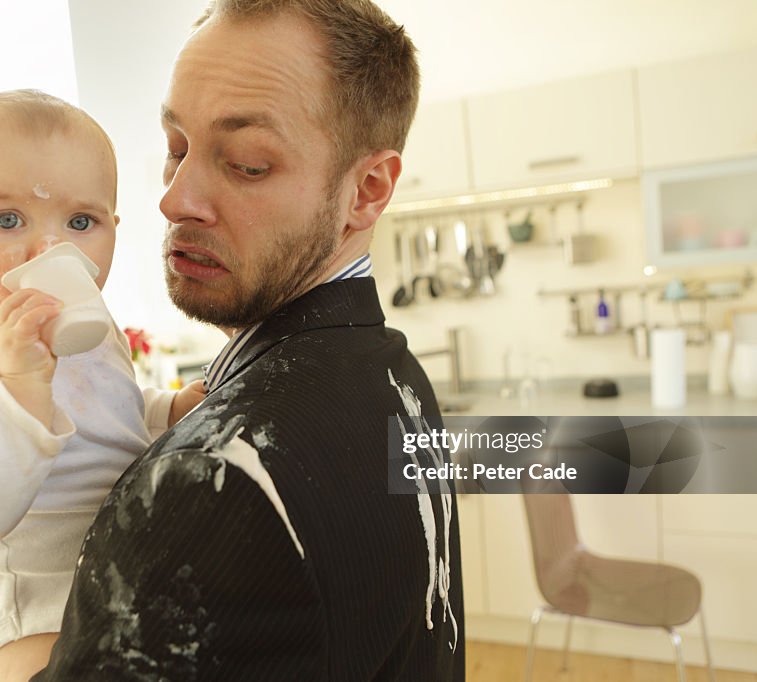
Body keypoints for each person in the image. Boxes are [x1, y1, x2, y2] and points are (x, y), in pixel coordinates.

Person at [34, 0, 464, 679]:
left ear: (367, 190)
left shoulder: (212, 478)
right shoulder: (395, 372)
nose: (175, 198)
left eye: (246, 163)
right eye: (177, 148)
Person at [0, 90, 206, 682]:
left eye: (81, 222)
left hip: (127, 574)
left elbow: (112, 412)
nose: (50, 249)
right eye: (7, 220)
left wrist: (167, 411)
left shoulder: (95, 329)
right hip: (37, 616)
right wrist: (18, 384)